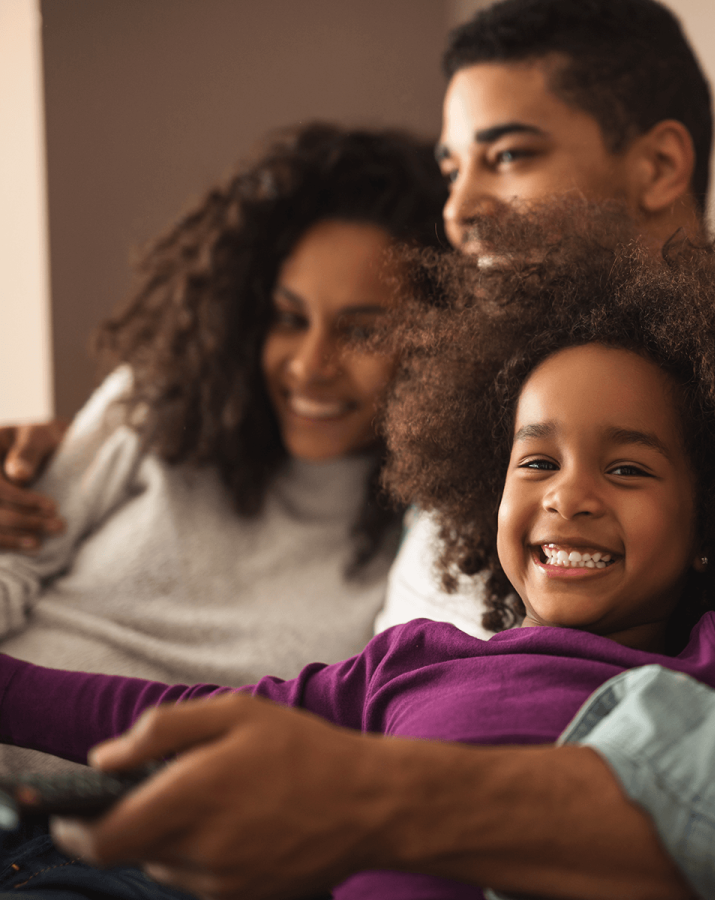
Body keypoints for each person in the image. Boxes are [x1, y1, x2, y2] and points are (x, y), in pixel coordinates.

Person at [4, 0, 715, 897]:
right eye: (536, 461)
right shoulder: (423, 588)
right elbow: (175, 710)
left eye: (507, 155)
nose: (459, 211)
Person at [0, 122, 447, 780]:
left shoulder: (428, 545)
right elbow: (10, 570)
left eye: (362, 333)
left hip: (125, 860)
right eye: (288, 318)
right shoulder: (159, 409)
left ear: (439, 345)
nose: (310, 365)